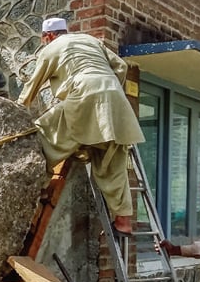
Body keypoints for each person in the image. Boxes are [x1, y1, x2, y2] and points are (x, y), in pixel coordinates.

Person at [17, 17, 144, 234]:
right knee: (112, 160)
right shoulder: (90, 41)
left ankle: (41, 186)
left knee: (43, 133)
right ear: (65, 31)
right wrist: (109, 90)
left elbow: (33, 85)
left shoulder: (51, 48)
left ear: (48, 36)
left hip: (85, 93)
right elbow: (121, 66)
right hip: (116, 98)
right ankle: (123, 221)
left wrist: (17, 111)